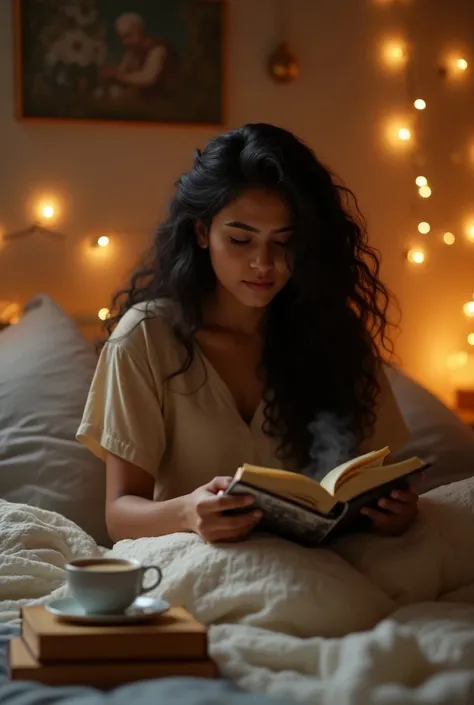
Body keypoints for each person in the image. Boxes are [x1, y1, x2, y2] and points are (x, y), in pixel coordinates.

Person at [77, 123, 419, 544]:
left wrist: (396, 513)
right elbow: (120, 515)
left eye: (284, 242)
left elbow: (379, 478)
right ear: (202, 233)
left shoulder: (334, 335)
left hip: (315, 569)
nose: (264, 263)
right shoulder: (145, 339)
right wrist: (188, 512)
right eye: (241, 239)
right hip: (191, 562)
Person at [102, 12, 177, 99]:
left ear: (140, 31)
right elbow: (122, 71)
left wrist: (119, 76)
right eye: (122, 37)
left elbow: (148, 77)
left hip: (165, 102)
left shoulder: (158, 48)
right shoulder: (133, 50)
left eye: (128, 35)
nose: (124, 42)